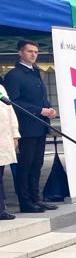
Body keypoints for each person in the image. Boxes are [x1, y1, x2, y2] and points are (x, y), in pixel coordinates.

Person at [4, 39, 59, 213]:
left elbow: (41, 98)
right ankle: (26, 202)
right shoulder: (14, 75)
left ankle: (36, 198)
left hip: (40, 125)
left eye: (36, 52)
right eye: (29, 51)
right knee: (25, 166)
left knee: (37, 164)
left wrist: (49, 109)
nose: (34, 54)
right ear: (20, 53)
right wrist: (39, 110)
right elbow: (13, 102)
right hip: (26, 128)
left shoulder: (36, 72)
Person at [0, 81, 19, 220]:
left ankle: (1, 209)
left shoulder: (1, 88)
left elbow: (10, 112)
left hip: (3, 139)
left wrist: (15, 134)